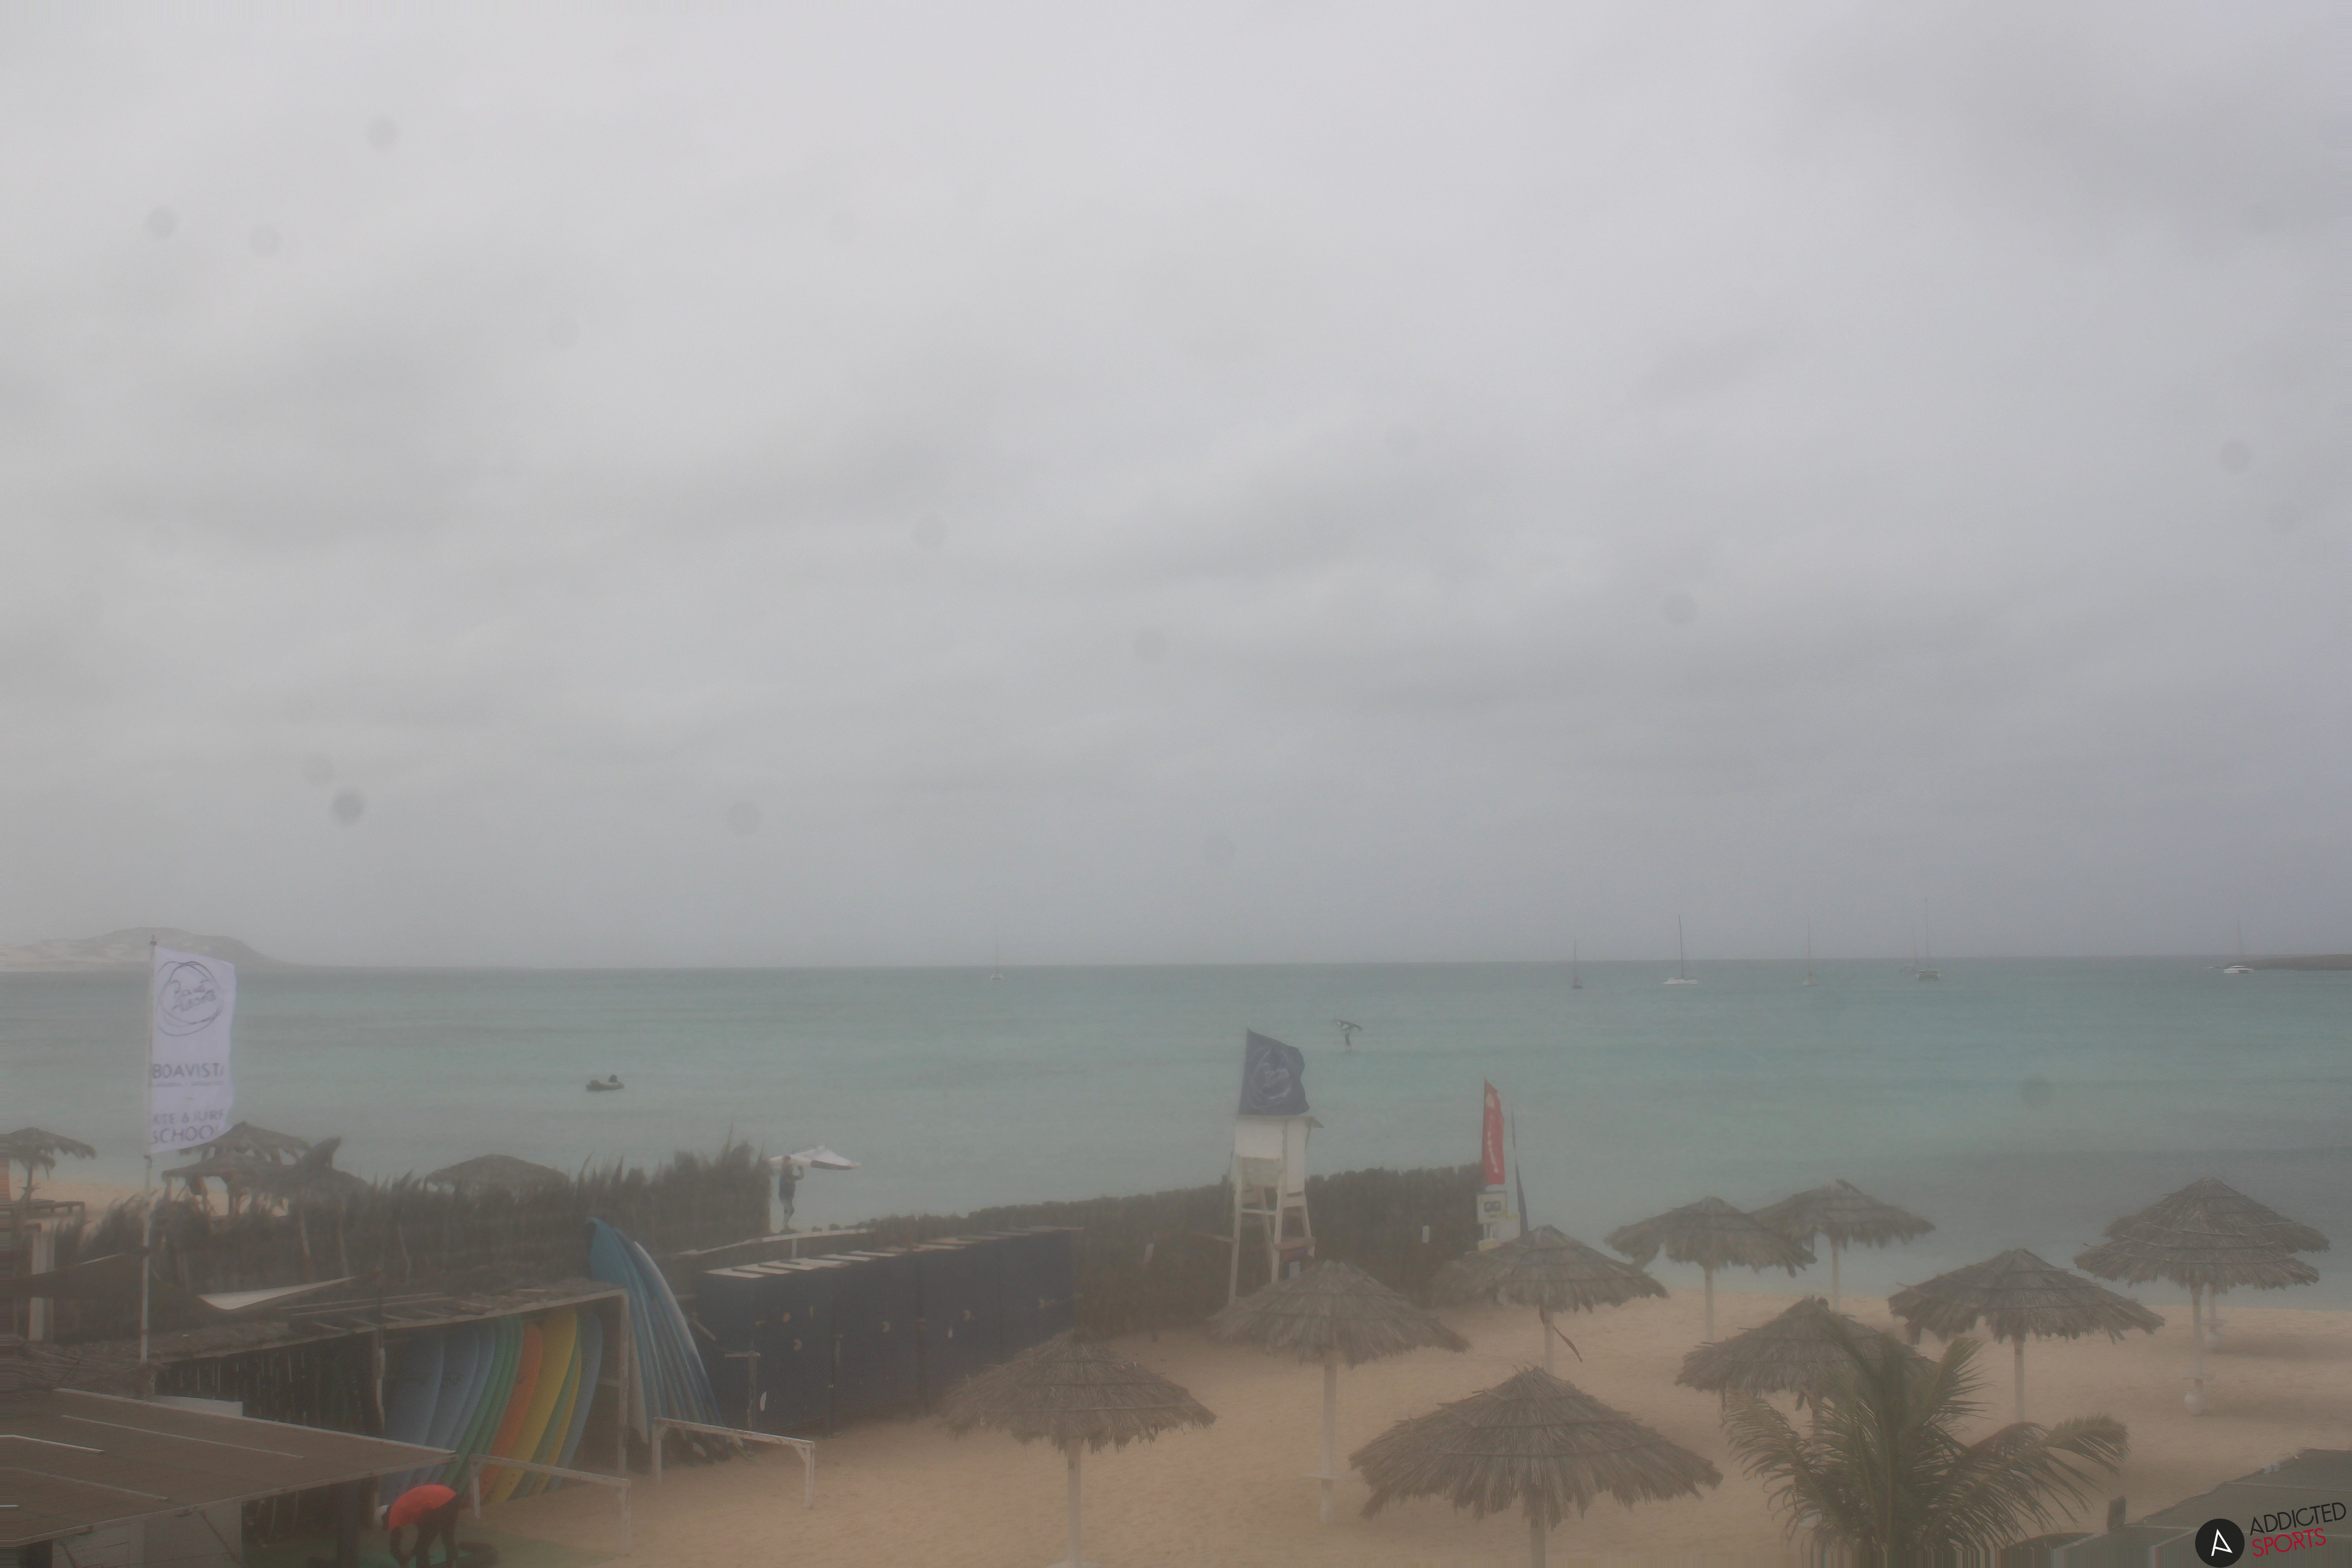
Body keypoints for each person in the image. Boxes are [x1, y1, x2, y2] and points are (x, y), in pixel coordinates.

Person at [385, 1483, 461, 1568]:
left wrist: (404, 1562)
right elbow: (424, 1533)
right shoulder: (407, 1509)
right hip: (452, 1496)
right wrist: (413, 1553)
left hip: (438, 1502)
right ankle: (453, 1565)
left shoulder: (393, 1515)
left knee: (423, 1547)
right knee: (447, 1536)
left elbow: (394, 1548)